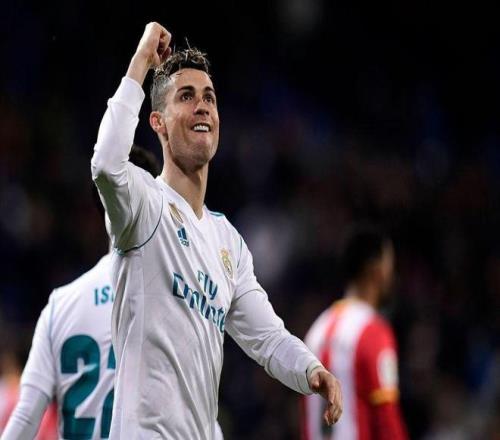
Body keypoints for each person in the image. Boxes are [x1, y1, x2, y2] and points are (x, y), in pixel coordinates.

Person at [91, 22, 343, 439]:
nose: (202, 107)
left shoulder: (228, 243)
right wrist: (140, 63)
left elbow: (268, 337)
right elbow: (105, 165)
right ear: (158, 122)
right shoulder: (144, 204)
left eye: (209, 97)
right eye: (186, 97)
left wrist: (310, 370)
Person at [1, 146, 161, 440]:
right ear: (156, 205)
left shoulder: (61, 304)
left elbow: (26, 417)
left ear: (100, 205)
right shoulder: (177, 301)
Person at [301, 225, 408, 439]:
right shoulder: (373, 332)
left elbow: (306, 418)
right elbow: (386, 419)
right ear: (376, 270)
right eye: (390, 266)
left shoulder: (316, 331)